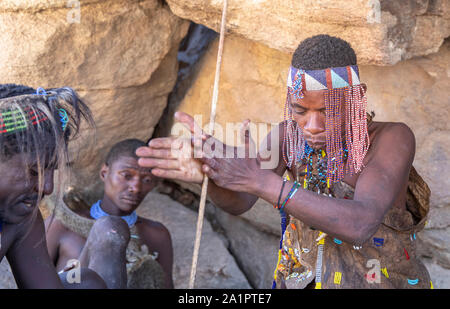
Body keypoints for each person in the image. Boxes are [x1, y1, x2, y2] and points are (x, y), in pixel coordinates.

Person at [136, 34, 432, 289]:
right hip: (301, 280)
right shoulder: (286, 137)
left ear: (358, 97)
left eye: (328, 111)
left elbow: (361, 223)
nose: (312, 125)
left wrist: (263, 181)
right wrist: (209, 174)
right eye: (300, 110)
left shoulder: (391, 138)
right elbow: (239, 201)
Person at [0, 83, 106, 288]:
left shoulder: (19, 217)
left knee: (86, 282)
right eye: (34, 171)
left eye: (53, 171)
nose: (47, 187)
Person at [45, 138, 174, 288]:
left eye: (146, 180)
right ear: (104, 173)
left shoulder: (157, 235)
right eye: (126, 175)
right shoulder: (62, 224)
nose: (136, 187)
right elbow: (33, 281)